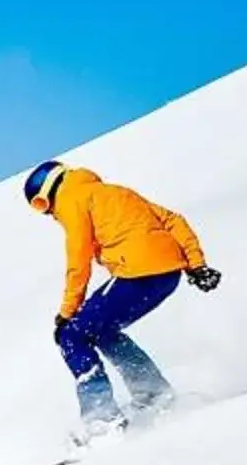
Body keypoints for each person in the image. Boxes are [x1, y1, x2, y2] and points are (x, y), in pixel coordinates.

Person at [23, 160, 221, 435]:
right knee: (101, 330)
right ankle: (155, 396)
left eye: (42, 206)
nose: (48, 215)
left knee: (72, 335)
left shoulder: (71, 200)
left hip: (138, 274)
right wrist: (196, 265)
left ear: (48, 192)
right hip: (168, 276)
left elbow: (78, 261)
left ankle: (103, 420)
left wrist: (66, 313)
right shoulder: (114, 191)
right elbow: (172, 220)